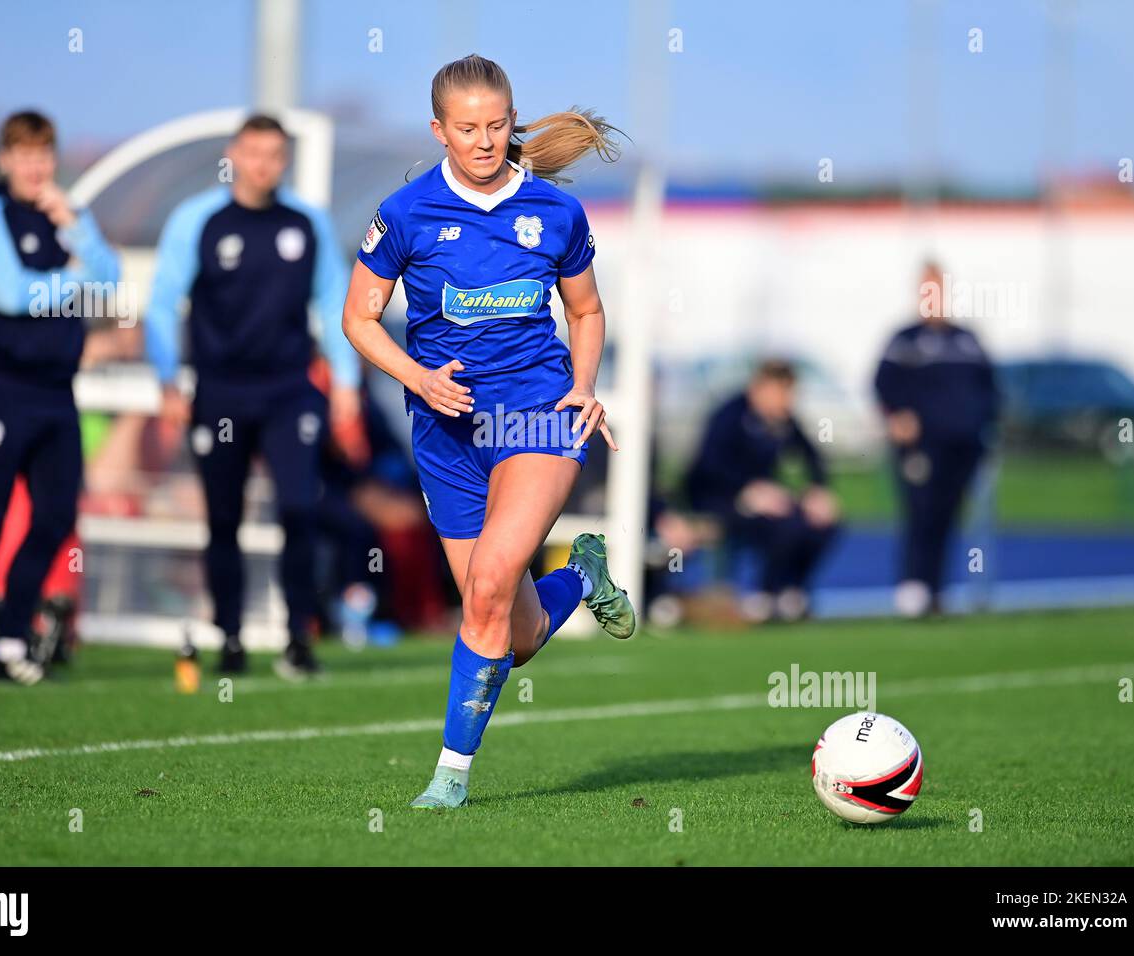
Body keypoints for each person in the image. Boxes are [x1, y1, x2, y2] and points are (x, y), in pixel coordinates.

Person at [342, 55, 634, 809]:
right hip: (445, 432)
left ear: (512, 122)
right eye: (467, 128)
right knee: (513, 633)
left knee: (490, 588)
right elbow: (358, 319)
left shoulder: (556, 214)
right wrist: (417, 378)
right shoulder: (404, 214)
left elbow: (587, 311)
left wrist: (584, 385)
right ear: (438, 130)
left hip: (536, 414)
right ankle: (583, 576)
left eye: (497, 125)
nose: (484, 141)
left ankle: (450, 777)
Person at [145, 114, 362, 677]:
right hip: (220, 394)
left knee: (299, 510)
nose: (263, 164)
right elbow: (163, 303)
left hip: (289, 392)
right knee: (222, 519)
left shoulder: (306, 224)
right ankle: (232, 638)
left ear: (284, 160)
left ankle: (298, 639)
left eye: (274, 154)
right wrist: (168, 379)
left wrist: (345, 386)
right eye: (253, 152)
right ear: (234, 155)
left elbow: (337, 305)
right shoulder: (198, 221)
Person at [0, 110, 120, 684]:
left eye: (43, 155)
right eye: (23, 155)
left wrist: (75, 230)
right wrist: (75, 280)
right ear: (5, 159)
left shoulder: (68, 216)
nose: (34, 166)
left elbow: (112, 285)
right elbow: (10, 294)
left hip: (55, 392)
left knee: (56, 516)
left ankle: (14, 631)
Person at [874, 260, 999, 617]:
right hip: (921, 447)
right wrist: (897, 416)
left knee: (947, 515)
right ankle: (913, 587)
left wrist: (988, 425)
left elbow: (989, 389)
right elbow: (883, 385)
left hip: (963, 446)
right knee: (921, 512)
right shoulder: (905, 340)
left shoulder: (966, 340)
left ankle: (937, 590)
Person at [687, 360, 840, 621]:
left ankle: (791, 591)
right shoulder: (729, 416)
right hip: (718, 497)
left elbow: (812, 457)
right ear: (760, 389)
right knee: (782, 525)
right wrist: (746, 490)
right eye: (780, 392)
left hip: (766, 498)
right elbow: (709, 466)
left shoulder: (785, 421)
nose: (786, 400)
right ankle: (766, 593)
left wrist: (817, 490)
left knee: (820, 524)